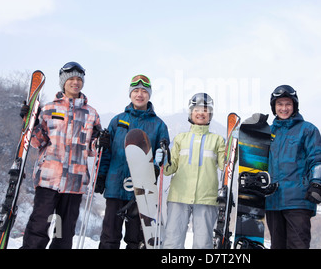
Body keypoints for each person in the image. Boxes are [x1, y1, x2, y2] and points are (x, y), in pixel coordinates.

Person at [21, 61, 105, 249]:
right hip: (49, 179)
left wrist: (100, 142)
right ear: (63, 82)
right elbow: (37, 142)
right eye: (71, 79)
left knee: (63, 232)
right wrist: (30, 123)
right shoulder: (50, 109)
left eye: (79, 79)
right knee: (39, 226)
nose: (75, 82)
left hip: (75, 182)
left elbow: (92, 149)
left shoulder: (91, 114)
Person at [95, 74, 169, 249]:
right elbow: (107, 153)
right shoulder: (117, 120)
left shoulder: (159, 125)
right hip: (115, 186)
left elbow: (165, 155)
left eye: (144, 91)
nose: (139, 94)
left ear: (149, 95)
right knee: (109, 237)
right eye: (136, 90)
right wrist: (101, 177)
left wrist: (161, 160)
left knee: (135, 241)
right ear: (130, 94)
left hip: (142, 193)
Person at [265, 85, 321, 249]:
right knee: (277, 246)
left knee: (298, 245)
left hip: (298, 199)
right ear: (274, 107)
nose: (283, 108)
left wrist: (316, 184)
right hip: (273, 200)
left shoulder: (307, 129)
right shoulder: (268, 132)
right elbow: (258, 162)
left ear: (294, 106)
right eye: (279, 104)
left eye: (288, 104)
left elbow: (318, 159)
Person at [161, 93, 225, 249]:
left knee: (203, 244)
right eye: (197, 109)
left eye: (205, 110)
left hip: (206, 198)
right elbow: (170, 169)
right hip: (179, 196)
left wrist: (233, 152)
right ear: (191, 113)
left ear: (210, 114)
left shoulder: (217, 140)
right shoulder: (180, 139)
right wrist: (163, 161)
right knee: (172, 242)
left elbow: (225, 166)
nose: (201, 113)